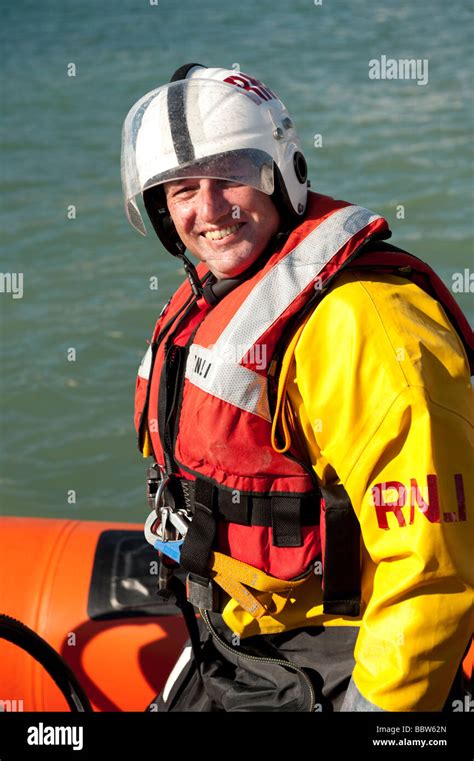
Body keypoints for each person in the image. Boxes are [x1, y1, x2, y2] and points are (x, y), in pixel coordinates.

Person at [122, 64, 473, 712]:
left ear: (281, 170)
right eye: (181, 190)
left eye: (230, 173)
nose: (208, 209)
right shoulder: (216, 291)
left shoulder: (362, 321)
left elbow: (431, 568)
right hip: (237, 642)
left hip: (335, 659)